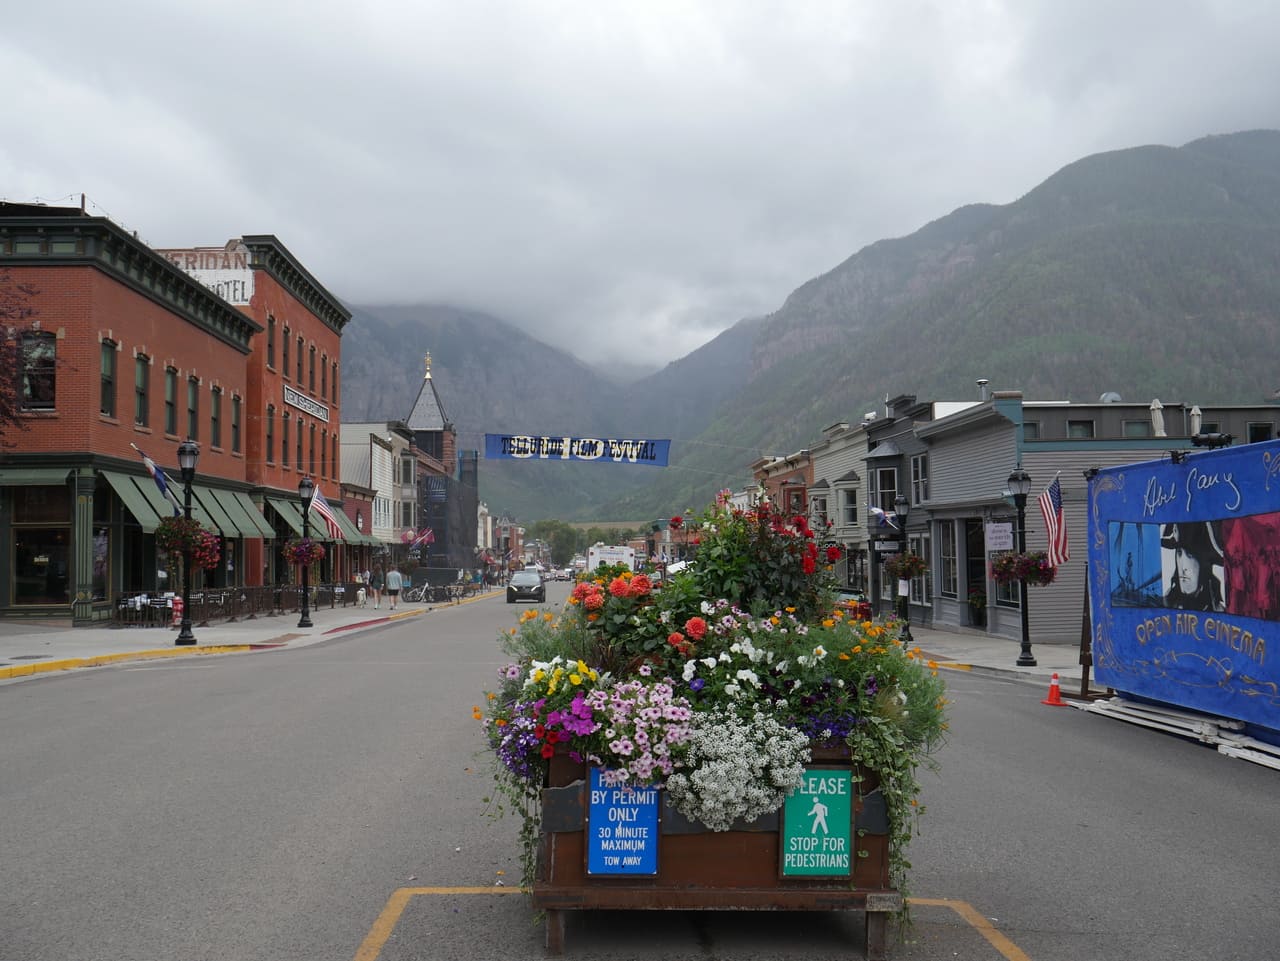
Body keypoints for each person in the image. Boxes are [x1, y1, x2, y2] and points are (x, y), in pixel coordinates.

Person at [1161, 522, 1225, 612]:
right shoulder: (1163, 607)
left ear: (1204, 564)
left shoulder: (1220, 613)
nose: (1183, 567)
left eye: (1190, 555)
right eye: (1179, 553)